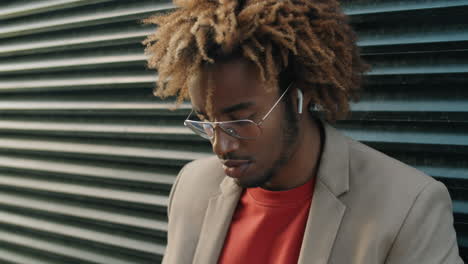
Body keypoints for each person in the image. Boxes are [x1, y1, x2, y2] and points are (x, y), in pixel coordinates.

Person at [142, 0, 464, 263]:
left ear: (300, 94)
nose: (220, 145)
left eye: (240, 120)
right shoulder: (191, 188)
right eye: (207, 121)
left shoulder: (409, 209)